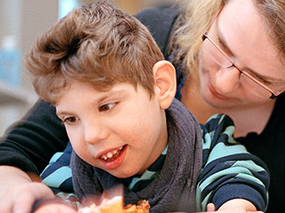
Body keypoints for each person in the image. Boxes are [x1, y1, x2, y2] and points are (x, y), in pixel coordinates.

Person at [0, 0, 285, 212]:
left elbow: (234, 174)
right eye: (222, 46)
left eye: (260, 78)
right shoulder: (133, 47)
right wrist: (22, 198)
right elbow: (5, 159)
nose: (224, 83)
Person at [25, 2, 268, 212]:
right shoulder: (67, 172)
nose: (92, 135)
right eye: (71, 119)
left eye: (106, 106)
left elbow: (237, 176)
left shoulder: (210, 147)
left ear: (161, 86)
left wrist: (234, 205)